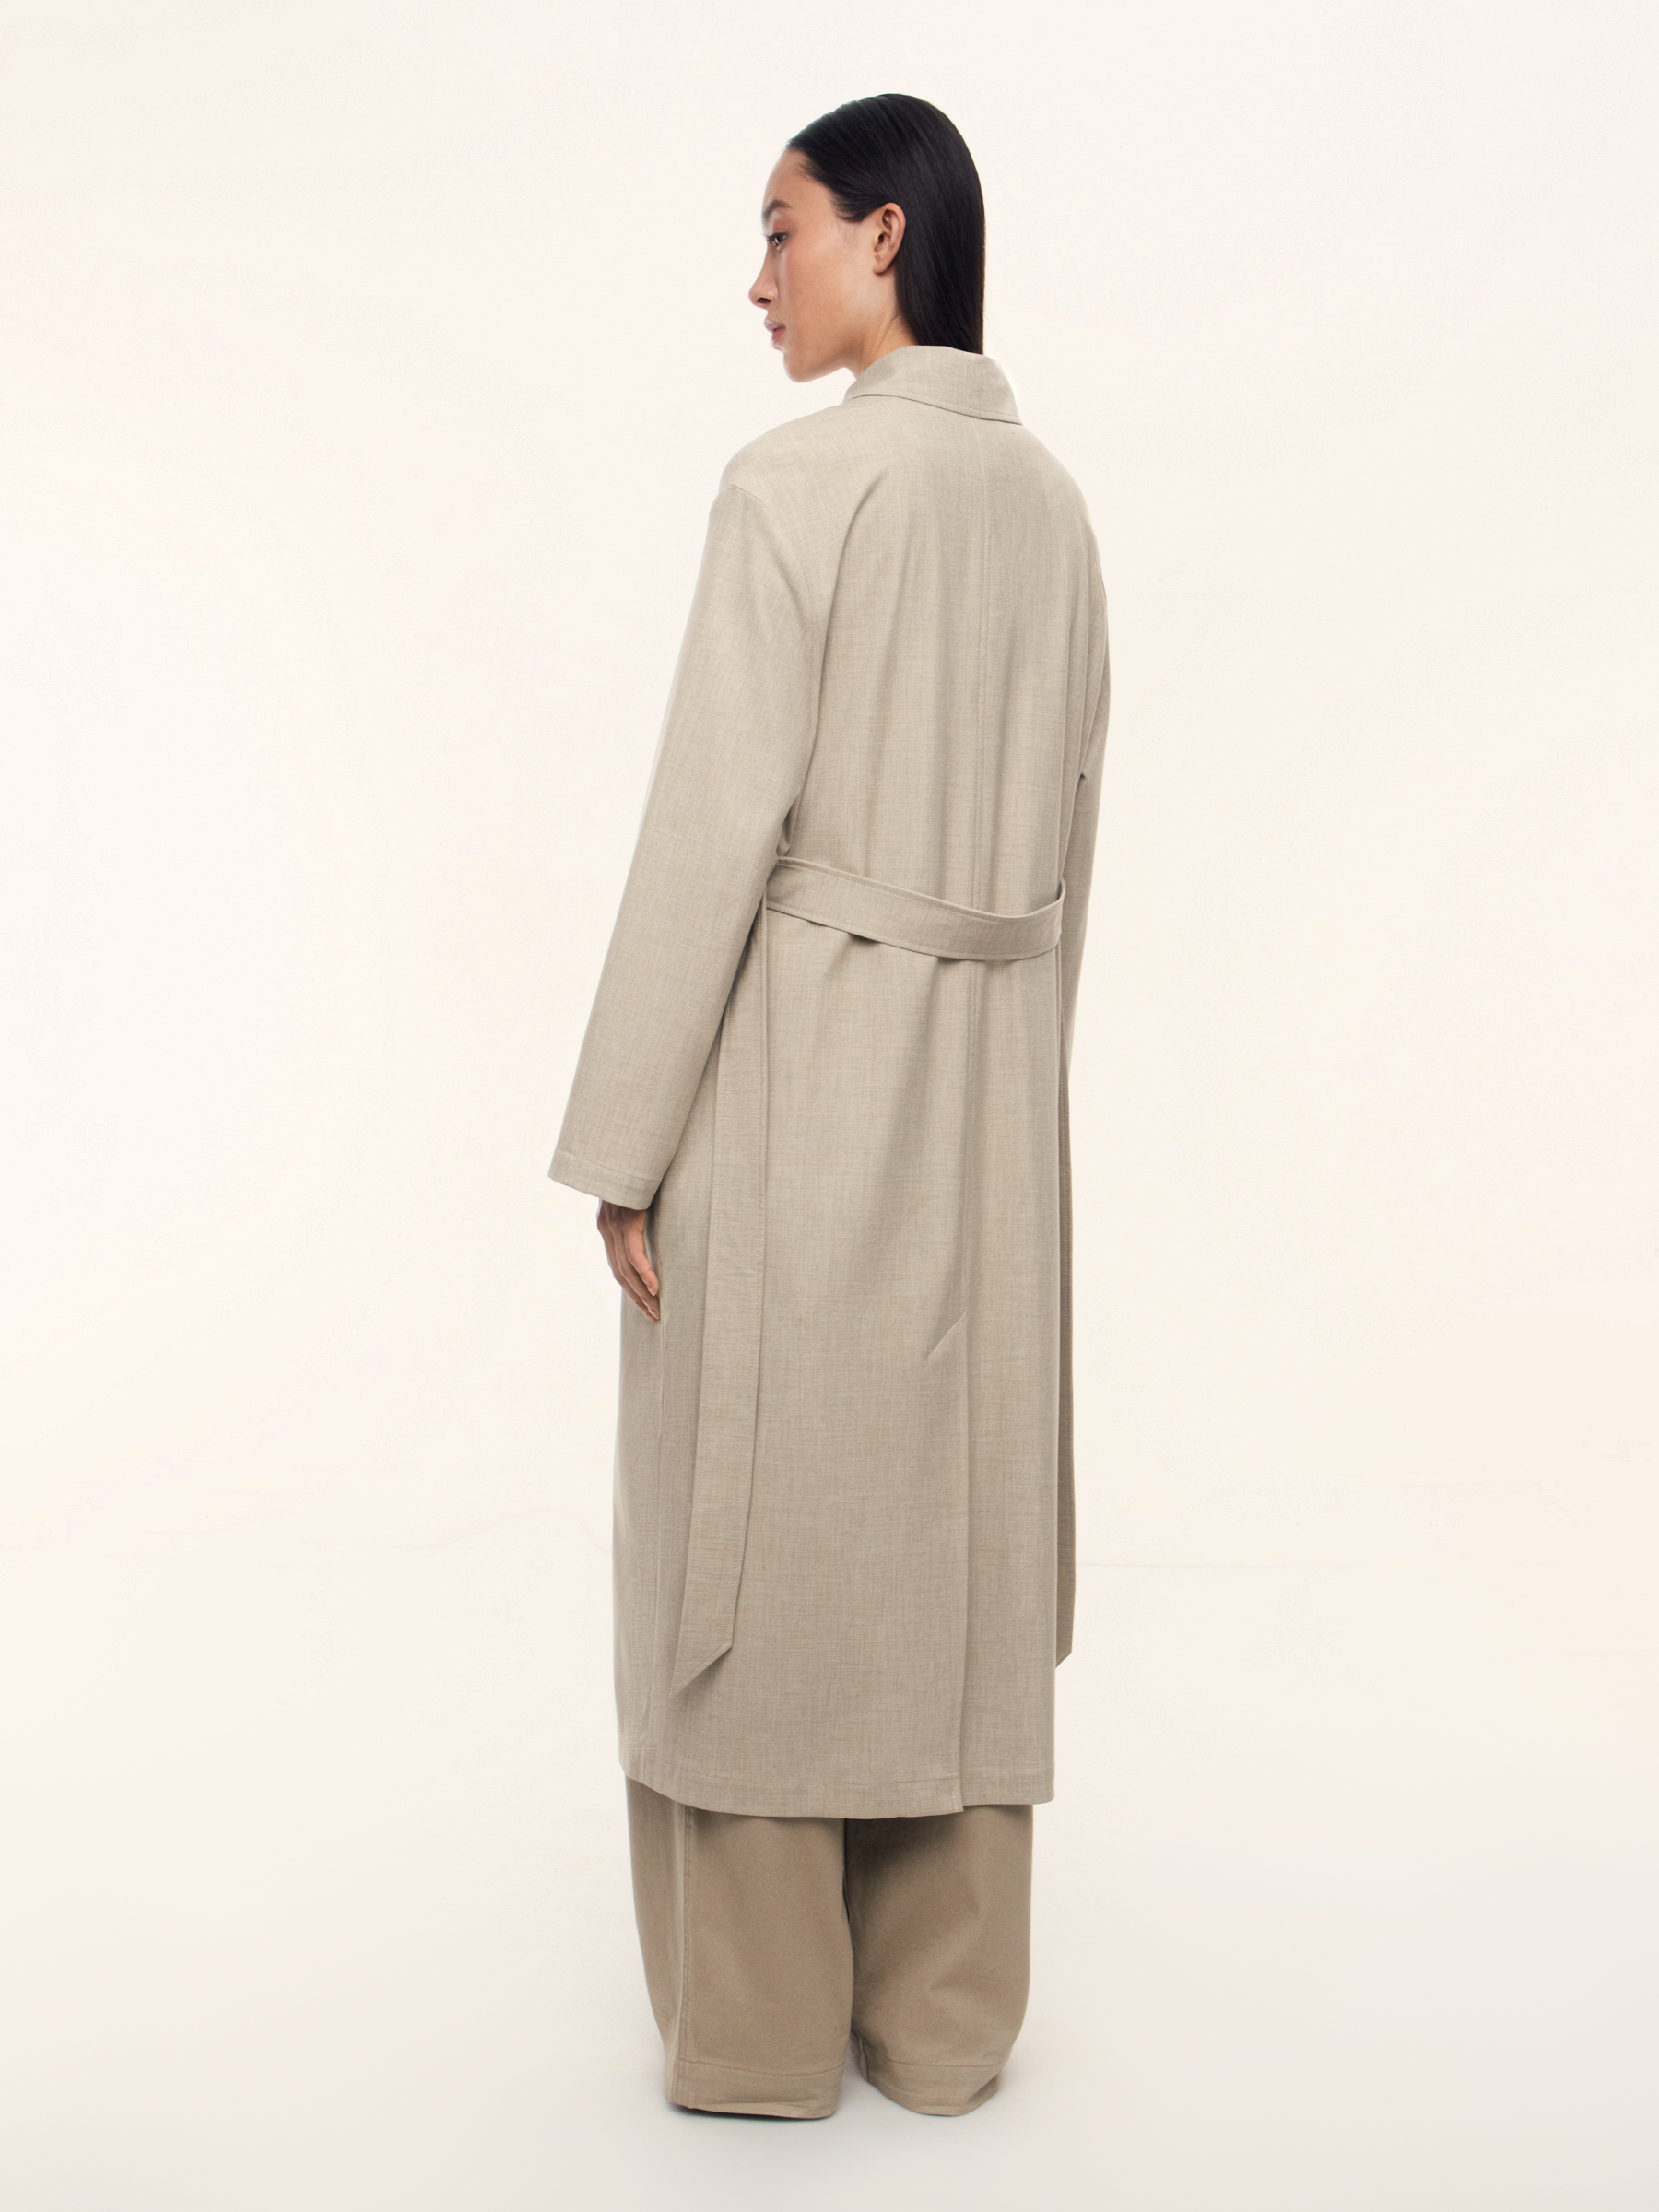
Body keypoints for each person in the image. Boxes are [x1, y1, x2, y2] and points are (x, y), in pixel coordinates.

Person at [549, 92, 1110, 2119]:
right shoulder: (1052, 506)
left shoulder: (794, 487)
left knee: (764, 1530)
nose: (758, 278)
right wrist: (1016, 1094)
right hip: (990, 1107)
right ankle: (946, 2027)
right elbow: (1072, 853)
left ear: (884, 234)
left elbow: (711, 832)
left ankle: (767, 2035)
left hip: (796, 1084)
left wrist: (625, 1146)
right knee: (948, 1533)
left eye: (781, 230)